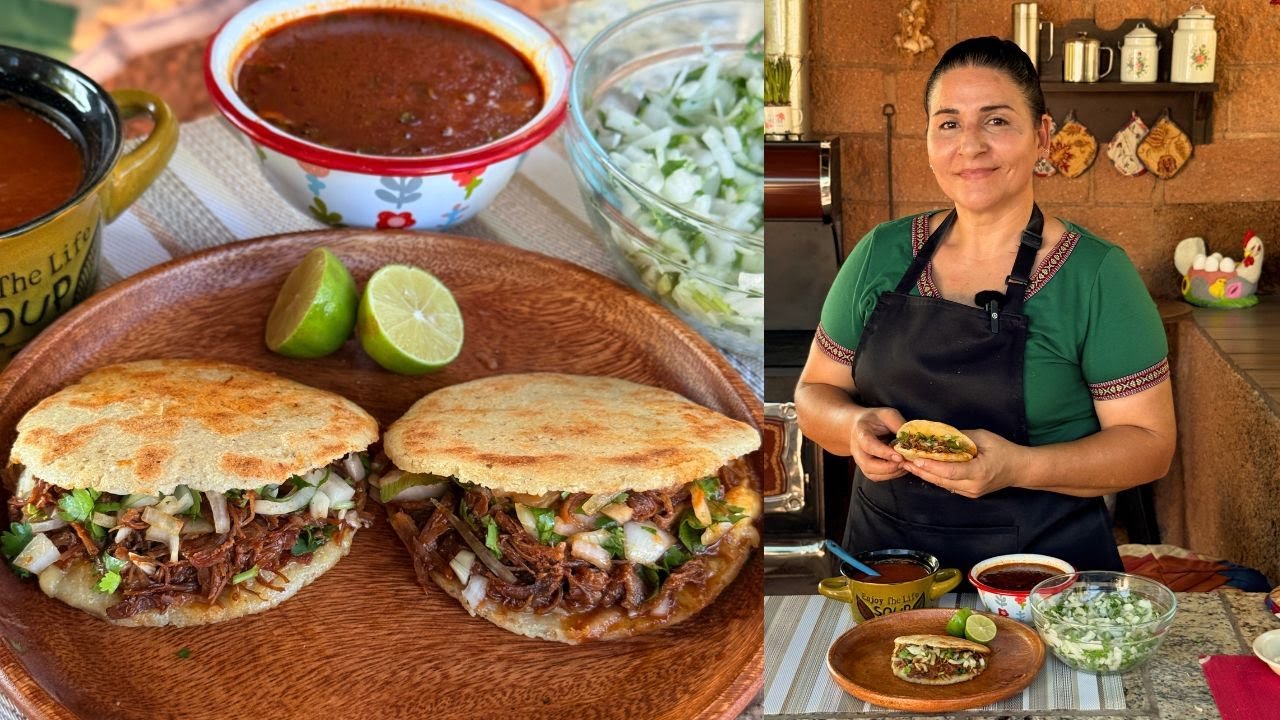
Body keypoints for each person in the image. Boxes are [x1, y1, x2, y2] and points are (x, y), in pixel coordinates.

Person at [794, 36, 1176, 578]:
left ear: (1042, 136)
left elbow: (1150, 446)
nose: (970, 146)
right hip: (891, 575)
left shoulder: (1095, 275)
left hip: (1043, 580)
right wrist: (853, 425)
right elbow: (813, 394)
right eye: (949, 123)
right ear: (929, 139)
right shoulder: (880, 253)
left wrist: (1019, 466)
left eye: (996, 121)